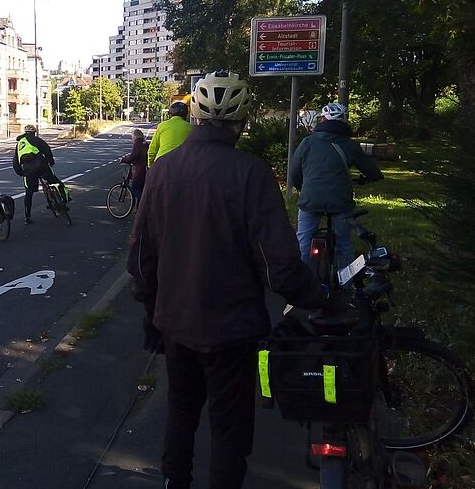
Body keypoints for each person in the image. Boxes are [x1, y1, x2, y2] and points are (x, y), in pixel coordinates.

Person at [127, 71, 325, 489]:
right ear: (241, 121)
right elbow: (279, 265)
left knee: (180, 411)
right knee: (230, 426)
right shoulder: (251, 172)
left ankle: (174, 481)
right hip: (233, 329)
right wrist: (318, 297)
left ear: (195, 117)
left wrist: (150, 309)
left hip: (175, 321)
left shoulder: (162, 170)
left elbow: (142, 257)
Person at [289, 102, 383, 270]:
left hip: (311, 199)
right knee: (343, 244)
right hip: (340, 201)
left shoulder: (307, 143)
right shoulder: (350, 145)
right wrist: (371, 178)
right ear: (344, 122)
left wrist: (303, 189)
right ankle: (345, 284)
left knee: (303, 240)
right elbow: (372, 171)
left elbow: (294, 172)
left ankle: (303, 282)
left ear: (323, 120)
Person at [12, 124, 67, 224]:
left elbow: (15, 161)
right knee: (55, 181)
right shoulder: (37, 140)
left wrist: (20, 172)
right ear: (34, 132)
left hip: (28, 171)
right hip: (42, 166)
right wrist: (51, 162)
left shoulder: (20, 144)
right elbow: (47, 150)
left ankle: (27, 217)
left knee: (29, 193)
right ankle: (64, 201)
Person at [147, 100, 192, 167]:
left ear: (170, 114)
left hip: (162, 163)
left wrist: (150, 165)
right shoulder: (190, 128)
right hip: (183, 165)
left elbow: (152, 149)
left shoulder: (162, 126)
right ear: (186, 114)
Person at [120, 128, 149, 206]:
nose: (131, 139)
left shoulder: (137, 144)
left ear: (135, 137)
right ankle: (139, 209)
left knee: (135, 189)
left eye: (132, 137)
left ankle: (145, 205)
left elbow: (132, 156)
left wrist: (124, 160)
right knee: (141, 190)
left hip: (139, 171)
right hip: (146, 170)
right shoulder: (145, 143)